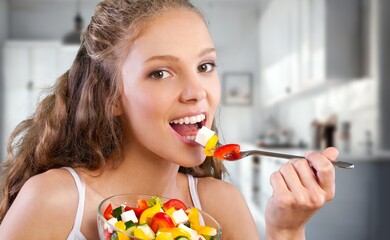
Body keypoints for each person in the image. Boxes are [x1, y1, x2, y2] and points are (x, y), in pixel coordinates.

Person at [0, 0, 338, 239]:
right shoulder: (54, 200)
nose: (196, 91)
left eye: (205, 67)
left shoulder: (221, 204)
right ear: (112, 96)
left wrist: (287, 229)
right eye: (161, 72)